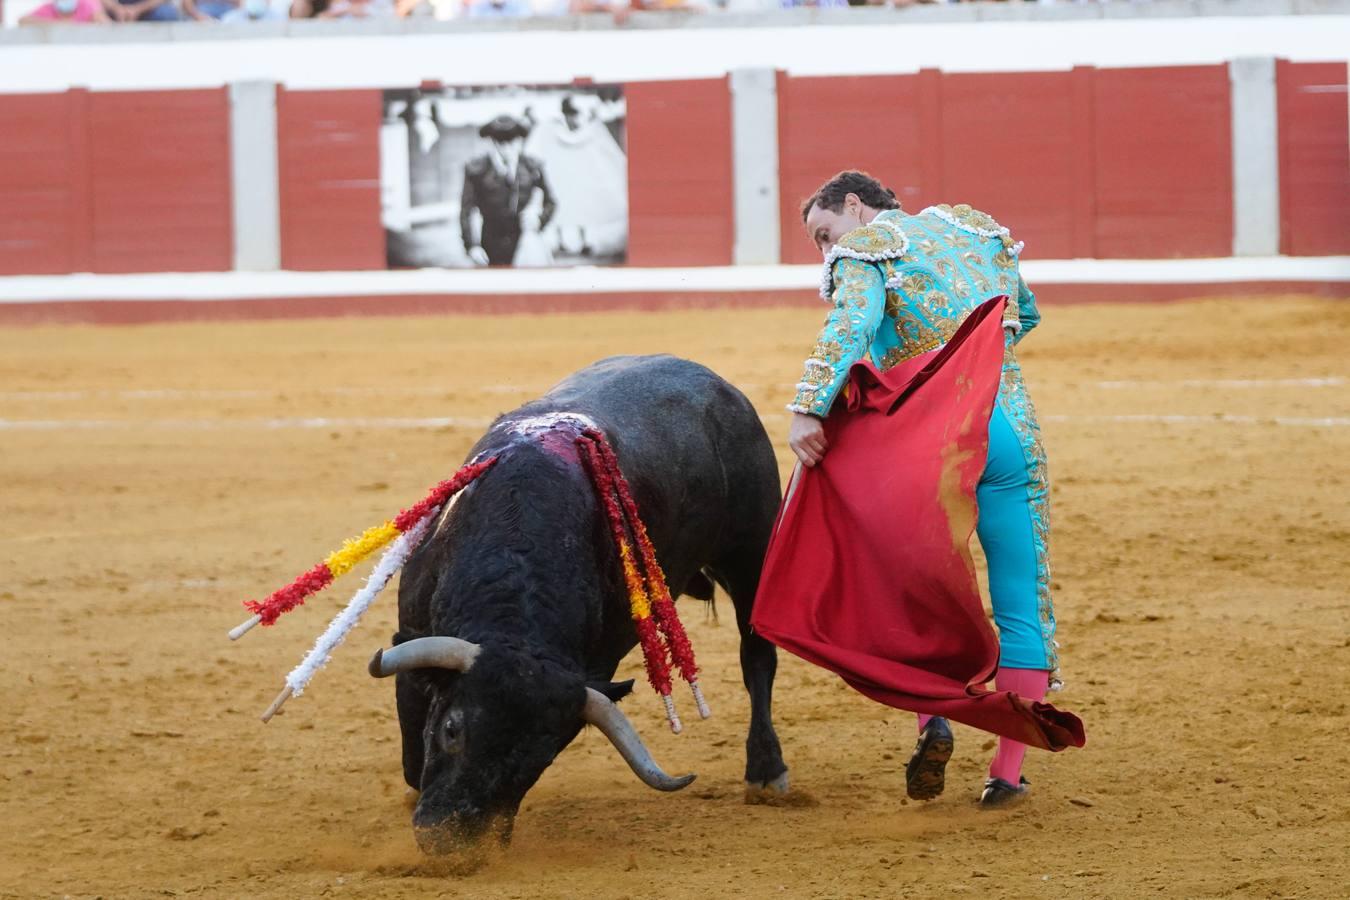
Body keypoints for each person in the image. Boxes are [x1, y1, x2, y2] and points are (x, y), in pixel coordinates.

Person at [783, 170, 1062, 807]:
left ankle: (932, 717)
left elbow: (852, 327)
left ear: (855, 207)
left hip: (932, 445)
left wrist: (809, 407)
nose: (826, 251)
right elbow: (1026, 312)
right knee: (1022, 600)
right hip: (1010, 427)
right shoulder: (975, 229)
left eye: (824, 233)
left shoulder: (864, 250)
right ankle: (1008, 776)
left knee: (911, 592)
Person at [460, 115, 556, 267]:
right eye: (500, 142)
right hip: (490, 241)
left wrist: (540, 220)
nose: (506, 148)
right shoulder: (477, 169)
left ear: (519, 141)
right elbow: (466, 210)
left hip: (525, 238)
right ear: (493, 142)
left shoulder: (532, 166)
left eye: (511, 141)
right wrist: (472, 245)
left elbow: (551, 201)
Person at [20, 0, 108, 22]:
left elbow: (104, 22)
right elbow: (23, 20)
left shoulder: (85, 4)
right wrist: (58, 24)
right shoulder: (48, 9)